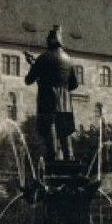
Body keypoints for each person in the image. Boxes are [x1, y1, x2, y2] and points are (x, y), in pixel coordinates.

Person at [24, 25, 80, 164]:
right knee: (65, 131)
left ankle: (52, 157)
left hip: (48, 99)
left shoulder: (43, 58)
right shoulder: (68, 59)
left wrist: (34, 64)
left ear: (50, 41)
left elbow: (29, 80)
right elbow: (74, 84)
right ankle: (69, 158)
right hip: (65, 102)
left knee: (50, 127)